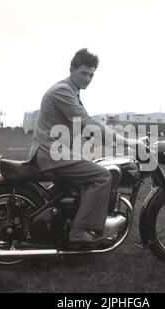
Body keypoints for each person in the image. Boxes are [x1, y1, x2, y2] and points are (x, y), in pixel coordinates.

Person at [27, 48, 136, 248]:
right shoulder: (63, 91)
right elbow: (87, 122)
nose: (87, 78)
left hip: (56, 152)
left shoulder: (71, 91)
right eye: (83, 73)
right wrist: (128, 142)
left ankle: (72, 222)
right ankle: (80, 231)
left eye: (91, 75)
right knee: (103, 176)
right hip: (50, 153)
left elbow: (84, 129)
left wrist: (111, 144)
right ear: (72, 70)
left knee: (95, 168)